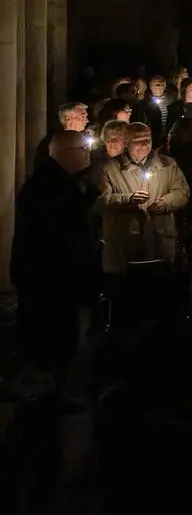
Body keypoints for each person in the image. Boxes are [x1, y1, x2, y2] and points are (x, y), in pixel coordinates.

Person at [11, 131, 101, 397]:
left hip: (54, 276)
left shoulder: (60, 184)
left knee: (60, 336)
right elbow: (61, 231)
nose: (88, 155)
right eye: (82, 150)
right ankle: (48, 397)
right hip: (49, 277)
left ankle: (55, 391)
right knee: (51, 337)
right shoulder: (47, 188)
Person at [96, 121, 191, 275]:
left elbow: (182, 192)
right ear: (126, 142)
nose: (145, 144)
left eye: (148, 139)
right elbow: (99, 201)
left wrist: (165, 202)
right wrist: (128, 199)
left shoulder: (168, 165)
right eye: (138, 141)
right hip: (125, 245)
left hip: (159, 241)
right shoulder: (109, 169)